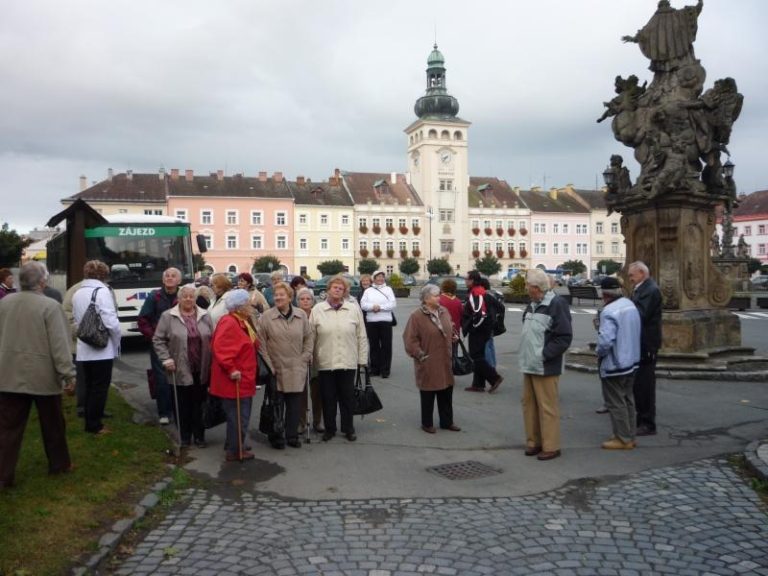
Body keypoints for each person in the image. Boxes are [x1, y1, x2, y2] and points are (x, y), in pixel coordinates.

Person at [0, 261, 76, 489]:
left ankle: (3, 475)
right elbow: (60, 345)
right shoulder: (50, 306)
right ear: (42, 281)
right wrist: (68, 375)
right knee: (53, 424)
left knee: (7, 428)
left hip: (8, 372)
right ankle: (60, 464)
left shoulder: (4, 303)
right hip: (43, 376)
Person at [518, 268, 573, 461]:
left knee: (547, 407)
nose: (525, 288)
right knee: (529, 405)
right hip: (529, 364)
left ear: (536, 287)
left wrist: (543, 355)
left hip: (545, 365)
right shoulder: (532, 303)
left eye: (528, 285)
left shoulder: (556, 304)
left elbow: (564, 337)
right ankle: (534, 442)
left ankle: (551, 446)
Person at [153, 284, 213, 448]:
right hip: (179, 367)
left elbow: (212, 337)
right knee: (182, 403)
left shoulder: (205, 315)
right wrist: (166, 359)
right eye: (185, 296)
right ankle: (185, 436)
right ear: (178, 299)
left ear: (196, 299)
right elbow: (158, 340)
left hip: (201, 367)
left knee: (199, 403)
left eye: (191, 296)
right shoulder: (168, 316)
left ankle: (199, 435)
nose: (188, 299)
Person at [311, 274, 368, 442]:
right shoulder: (317, 309)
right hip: (325, 361)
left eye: (341, 288)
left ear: (344, 292)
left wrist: (362, 359)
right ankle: (330, 428)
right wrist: (310, 358)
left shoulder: (353, 309)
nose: (337, 290)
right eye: (335, 287)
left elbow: (361, 335)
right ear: (328, 290)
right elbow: (311, 336)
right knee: (328, 397)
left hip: (347, 360)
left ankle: (348, 428)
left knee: (347, 397)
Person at [259, 282, 314, 448]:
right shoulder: (267, 317)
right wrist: (270, 366)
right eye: (276, 295)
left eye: (282, 295)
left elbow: (309, 337)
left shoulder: (301, 315)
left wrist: (305, 357)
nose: (278, 297)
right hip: (276, 367)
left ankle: (292, 436)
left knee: (294, 404)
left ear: (290, 297)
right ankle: (276, 435)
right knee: (277, 404)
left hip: (297, 366)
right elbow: (261, 344)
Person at [403, 284, 461, 434]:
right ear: (426, 299)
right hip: (428, 359)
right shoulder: (416, 316)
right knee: (428, 391)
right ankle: (427, 423)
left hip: (445, 358)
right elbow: (410, 339)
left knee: (446, 390)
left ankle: (447, 421)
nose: (439, 298)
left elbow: (449, 326)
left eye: (439, 295)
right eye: (436, 295)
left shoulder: (444, 311)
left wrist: (453, 335)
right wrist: (420, 354)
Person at [210, 289, 260, 462]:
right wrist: (232, 369)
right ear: (239, 306)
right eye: (247, 303)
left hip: (243, 377)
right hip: (235, 379)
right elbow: (221, 348)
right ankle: (234, 450)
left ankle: (235, 443)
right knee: (239, 416)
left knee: (238, 415)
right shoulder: (230, 322)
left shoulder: (240, 321)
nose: (251, 306)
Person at [73, 260, 122, 435]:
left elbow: (78, 320)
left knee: (89, 386)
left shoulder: (77, 292)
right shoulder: (102, 291)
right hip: (101, 347)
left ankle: (89, 419)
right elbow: (110, 320)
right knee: (100, 387)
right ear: (103, 275)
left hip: (84, 346)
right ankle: (94, 425)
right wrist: (117, 339)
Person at [596, 277, 642, 450]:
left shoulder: (609, 311)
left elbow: (605, 341)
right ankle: (629, 435)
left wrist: (599, 353)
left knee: (615, 402)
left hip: (615, 363)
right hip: (632, 360)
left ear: (604, 294)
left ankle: (622, 438)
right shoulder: (630, 305)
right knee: (628, 399)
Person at [138, 267, 182, 425]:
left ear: (179, 280)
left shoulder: (184, 296)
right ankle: (164, 412)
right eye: (167, 276)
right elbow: (143, 320)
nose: (170, 278)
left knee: (181, 376)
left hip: (180, 344)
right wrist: (154, 337)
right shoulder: (154, 296)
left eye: (173, 276)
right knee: (162, 378)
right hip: (159, 344)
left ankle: (180, 411)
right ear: (163, 280)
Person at [628, 261, 662, 436]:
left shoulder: (650, 290)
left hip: (646, 343)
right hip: (642, 341)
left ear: (641, 273)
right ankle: (642, 418)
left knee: (645, 385)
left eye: (632, 275)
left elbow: (640, 314)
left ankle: (647, 422)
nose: (630, 278)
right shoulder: (643, 288)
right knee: (640, 384)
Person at [462, 270, 503, 393]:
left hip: (478, 331)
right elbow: (499, 307)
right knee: (478, 355)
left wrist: (473, 326)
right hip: (483, 330)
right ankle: (478, 384)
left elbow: (479, 313)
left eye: (467, 279)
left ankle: (494, 378)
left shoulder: (476, 293)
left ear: (473, 280)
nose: (465, 281)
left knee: (476, 356)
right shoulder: (481, 291)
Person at [296, 287, 323, 434]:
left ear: (313, 301)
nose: (305, 301)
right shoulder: (295, 315)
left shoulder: (318, 314)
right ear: (297, 301)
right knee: (301, 391)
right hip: (299, 357)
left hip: (317, 356)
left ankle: (318, 421)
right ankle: (301, 422)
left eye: (308, 299)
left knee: (317, 391)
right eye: (302, 299)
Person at [359, 270, 396, 378]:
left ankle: (385, 370)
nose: (380, 279)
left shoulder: (388, 289)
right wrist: (372, 307)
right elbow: (363, 304)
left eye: (382, 277)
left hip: (386, 321)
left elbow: (392, 304)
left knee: (386, 346)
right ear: (374, 279)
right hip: (371, 322)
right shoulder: (368, 291)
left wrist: (380, 307)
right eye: (378, 277)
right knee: (374, 346)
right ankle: (375, 369)